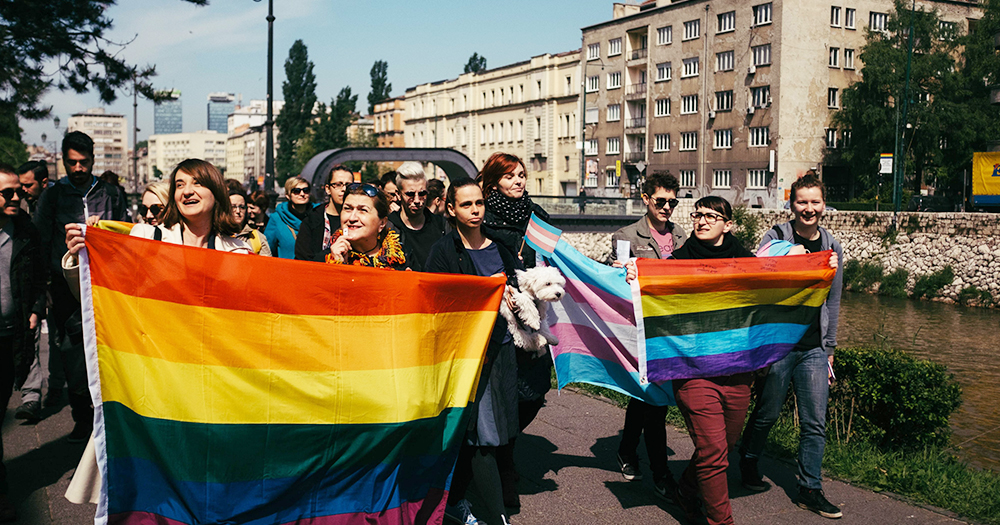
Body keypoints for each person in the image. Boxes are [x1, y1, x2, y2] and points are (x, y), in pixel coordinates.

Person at [61, 159, 253, 506]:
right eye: (179, 185)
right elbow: (100, 294)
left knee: (202, 477)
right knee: (151, 477)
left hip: (209, 382)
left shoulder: (238, 251)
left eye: (197, 183)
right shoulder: (145, 238)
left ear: (217, 192)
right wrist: (83, 254)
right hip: (153, 376)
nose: (187, 191)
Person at [739, 174, 845, 519]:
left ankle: (810, 487)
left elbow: (833, 300)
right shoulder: (777, 236)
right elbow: (757, 271)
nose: (809, 208)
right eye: (802, 201)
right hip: (778, 346)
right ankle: (749, 458)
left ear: (823, 205)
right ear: (791, 204)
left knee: (815, 421)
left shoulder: (832, 245)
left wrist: (829, 349)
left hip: (813, 347)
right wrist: (788, 256)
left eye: (815, 202)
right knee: (767, 412)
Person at [425, 178, 522, 525]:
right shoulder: (443, 251)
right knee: (484, 435)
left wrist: (512, 295)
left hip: (501, 350)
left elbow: (519, 289)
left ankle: (452, 499)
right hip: (465, 355)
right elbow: (436, 300)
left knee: (498, 430)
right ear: (451, 209)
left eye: (479, 203)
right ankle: (497, 518)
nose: (475, 210)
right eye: (466, 205)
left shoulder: (502, 247)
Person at [33, 131, 126, 442]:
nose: (77, 168)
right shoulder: (53, 195)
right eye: (71, 162)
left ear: (93, 161)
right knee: (72, 355)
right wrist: (45, 288)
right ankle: (82, 419)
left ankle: (108, 419)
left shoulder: (111, 193)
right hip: (65, 289)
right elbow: (41, 241)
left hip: (106, 285)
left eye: (83, 162)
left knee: (110, 353)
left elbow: (124, 235)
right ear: (63, 161)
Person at [477, 151, 551, 508]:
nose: (519, 181)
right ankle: (502, 463)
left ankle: (506, 445)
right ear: (493, 182)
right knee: (504, 390)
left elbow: (556, 254)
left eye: (521, 175)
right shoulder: (482, 218)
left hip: (537, 312)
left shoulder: (536, 217)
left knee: (534, 391)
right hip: (500, 314)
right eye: (510, 176)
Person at [608, 172, 687, 498]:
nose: (667, 207)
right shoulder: (627, 235)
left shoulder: (682, 235)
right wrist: (616, 268)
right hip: (641, 328)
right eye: (661, 201)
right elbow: (614, 278)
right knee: (654, 401)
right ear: (646, 199)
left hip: (672, 329)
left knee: (645, 397)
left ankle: (627, 450)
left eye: (673, 201)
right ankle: (661, 472)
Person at [0, 164, 46, 522]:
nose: (16, 197)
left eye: (18, 191)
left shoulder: (25, 230)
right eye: (7, 193)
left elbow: (37, 273)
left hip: (10, 338)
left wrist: (34, 309)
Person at [12, 160, 49, 421]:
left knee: (34, 339)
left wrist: (37, 306)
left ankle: (33, 395)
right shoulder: (20, 213)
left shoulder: (26, 222)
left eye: (26, 186)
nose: (20, 193)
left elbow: (36, 266)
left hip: (38, 287)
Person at [325, 183, 409, 270]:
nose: (352, 218)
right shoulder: (324, 260)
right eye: (347, 208)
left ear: (382, 223)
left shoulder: (401, 258)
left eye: (363, 210)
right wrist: (337, 265)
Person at [387, 162, 447, 270]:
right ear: (398, 195)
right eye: (410, 194)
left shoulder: (442, 225)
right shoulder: (389, 228)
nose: (417, 200)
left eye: (422, 194)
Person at [295, 164, 353, 262]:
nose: (343, 189)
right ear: (328, 189)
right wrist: (330, 254)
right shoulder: (311, 220)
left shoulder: (358, 219)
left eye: (348, 185)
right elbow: (302, 259)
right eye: (338, 185)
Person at [264, 176, 313, 259]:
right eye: (296, 191)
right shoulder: (276, 219)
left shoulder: (318, 215)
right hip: (286, 269)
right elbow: (268, 250)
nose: (302, 194)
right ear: (287, 195)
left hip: (314, 269)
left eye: (306, 190)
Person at [230, 186, 272, 256]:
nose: (238, 211)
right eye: (233, 207)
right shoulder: (215, 235)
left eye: (242, 207)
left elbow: (266, 265)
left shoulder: (257, 237)